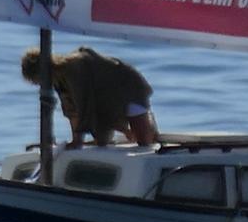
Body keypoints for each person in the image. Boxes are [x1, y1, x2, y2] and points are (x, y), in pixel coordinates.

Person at [20, 46, 158, 148]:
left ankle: (149, 123)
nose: (38, 84)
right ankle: (129, 130)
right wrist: (76, 140)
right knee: (102, 141)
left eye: (37, 80)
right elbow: (71, 110)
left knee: (144, 141)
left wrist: (78, 140)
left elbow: (84, 104)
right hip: (104, 97)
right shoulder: (57, 79)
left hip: (128, 87)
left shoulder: (74, 67)